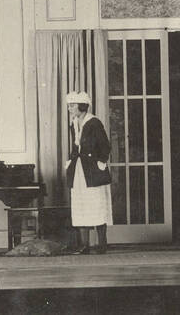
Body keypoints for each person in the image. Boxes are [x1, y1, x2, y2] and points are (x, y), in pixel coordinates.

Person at [64, 91, 113, 254]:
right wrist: (71, 160)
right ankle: (84, 244)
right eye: (69, 105)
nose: (70, 108)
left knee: (96, 203)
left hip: (92, 170)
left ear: (82, 106)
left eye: (72, 105)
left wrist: (101, 162)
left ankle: (102, 244)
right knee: (80, 204)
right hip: (78, 169)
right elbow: (75, 147)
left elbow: (105, 146)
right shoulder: (74, 122)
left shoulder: (94, 123)